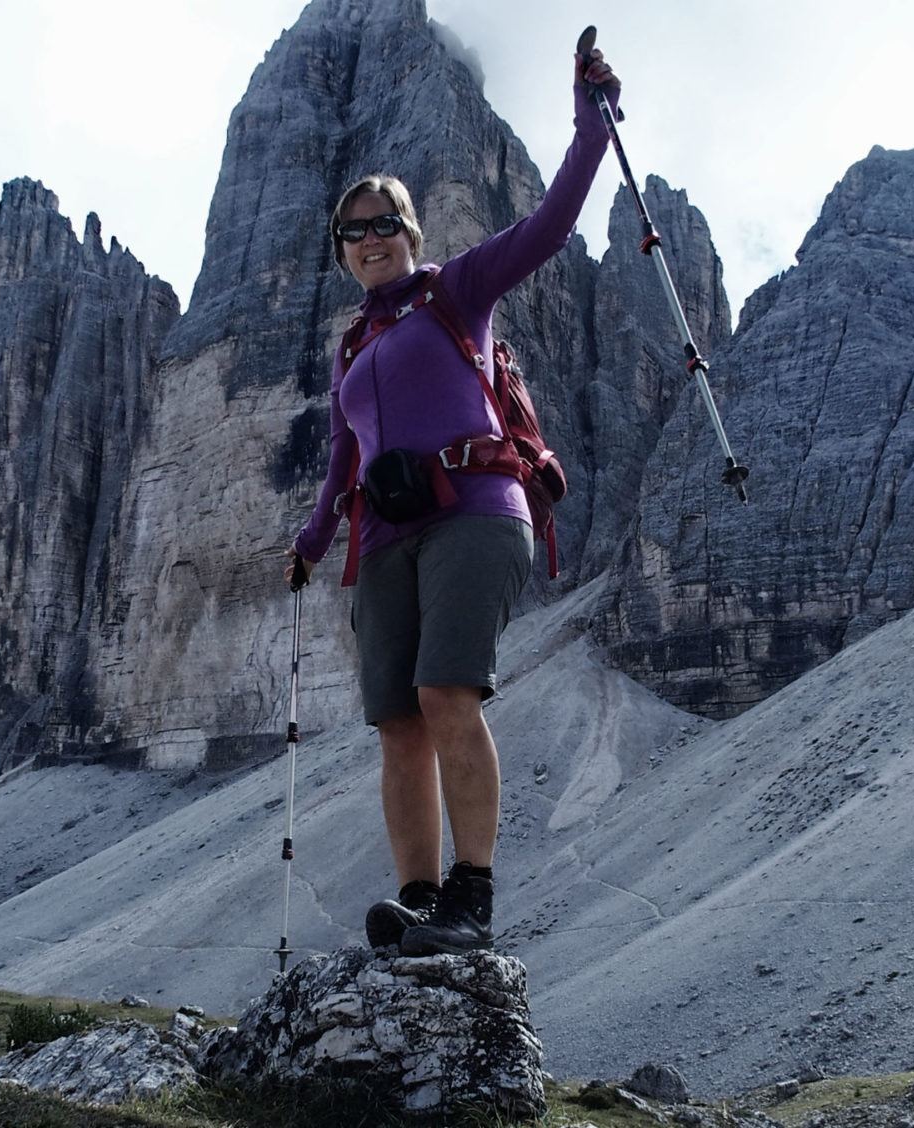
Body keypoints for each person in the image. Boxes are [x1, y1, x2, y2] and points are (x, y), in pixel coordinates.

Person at [285, 43, 620, 956]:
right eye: (353, 231)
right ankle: (419, 902)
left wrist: (591, 121)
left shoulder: (456, 292)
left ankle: (471, 900)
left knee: (443, 694)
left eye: (384, 221)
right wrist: (313, 543)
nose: (370, 238)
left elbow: (551, 224)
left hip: (475, 511)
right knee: (398, 725)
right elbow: (341, 460)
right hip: (385, 540)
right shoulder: (350, 348)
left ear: (411, 230)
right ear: (342, 251)